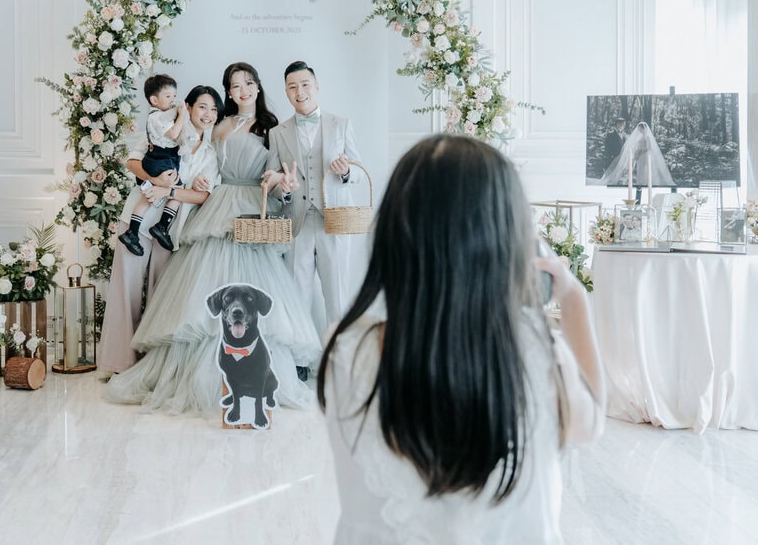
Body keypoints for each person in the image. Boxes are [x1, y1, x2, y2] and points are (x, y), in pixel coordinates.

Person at [319, 134, 606, 543]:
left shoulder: (344, 350)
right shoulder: (536, 353)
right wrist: (574, 296)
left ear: (392, 238)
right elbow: (591, 421)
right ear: (509, 245)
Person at [105, 62, 321, 415]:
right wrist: (199, 181)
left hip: (251, 204)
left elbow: (278, 175)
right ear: (229, 92)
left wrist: (280, 183)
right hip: (217, 203)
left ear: (258, 86)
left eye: (248, 83)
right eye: (235, 86)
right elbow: (203, 162)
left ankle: (254, 374)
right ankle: (196, 374)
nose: (243, 90)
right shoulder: (218, 124)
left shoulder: (272, 127)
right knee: (202, 281)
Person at [97, 85, 222, 375]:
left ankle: (150, 366)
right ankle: (118, 363)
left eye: (214, 109)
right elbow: (132, 162)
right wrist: (155, 180)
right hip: (137, 220)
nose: (208, 114)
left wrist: (170, 191)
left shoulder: (210, 153)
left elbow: (204, 196)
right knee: (125, 291)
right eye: (203, 106)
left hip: (170, 230)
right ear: (187, 107)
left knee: (160, 296)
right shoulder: (163, 128)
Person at [265, 61, 362, 343]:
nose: (300, 92)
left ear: (317, 87)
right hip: (297, 223)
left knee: (338, 296)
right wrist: (283, 188)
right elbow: (271, 180)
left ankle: (339, 353)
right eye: (292, 87)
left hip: (335, 222)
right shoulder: (277, 133)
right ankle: (300, 357)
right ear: (286, 92)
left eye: (305, 85)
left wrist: (347, 171)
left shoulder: (341, 124)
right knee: (297, 297)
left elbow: (359, 170)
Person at [117, 74, 195, 256]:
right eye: (168, 96)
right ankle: (162, 227)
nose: (173, 100)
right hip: (161, 160)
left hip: (160, 159)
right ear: (154, 100)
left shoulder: (161, 116)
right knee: (178, 191)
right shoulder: (157, 117)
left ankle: (132, 232)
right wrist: (182, 115)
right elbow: (174, 134)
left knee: (147, 198)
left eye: (174, 96)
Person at [600, 121, 676, 188]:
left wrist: (640, 151)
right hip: (640, 155)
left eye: (640, 129)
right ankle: (640, 182)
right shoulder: (641, 136)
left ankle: (645, 182)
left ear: (643, 128)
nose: (639, 130)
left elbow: (648, 147)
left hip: (645, 155)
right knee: (640, 168)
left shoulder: (647, 136)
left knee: (645, 168)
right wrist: (636, 151)